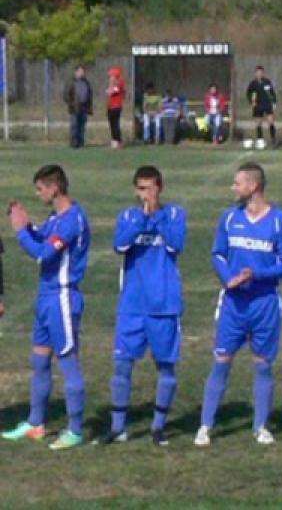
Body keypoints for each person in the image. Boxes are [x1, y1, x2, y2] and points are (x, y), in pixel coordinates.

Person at [195, 162, 282, 446]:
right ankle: (205, 426)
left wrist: (257, 274)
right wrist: (229, 278)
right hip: (233, 304)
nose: (233, 188)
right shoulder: (229, 217)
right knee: (221, 361)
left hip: (265, 304)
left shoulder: (280, 221)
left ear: (253, 185)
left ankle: (261, 426)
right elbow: (218, 253)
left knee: (262, 363)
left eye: (237, 183)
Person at [2, 165, 91, 450]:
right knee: (39, 360)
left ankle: (75, 430)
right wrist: (27, 224)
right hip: (46, 297)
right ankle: (35, 423)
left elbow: (44, 254)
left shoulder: (72, 220)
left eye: (40, 189)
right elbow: (42, 236)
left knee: (68, 362)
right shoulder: (55, 218)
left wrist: (20, 232)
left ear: (55, 188)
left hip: (62, 298)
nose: (38, 194)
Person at [97, 166, 187, 447]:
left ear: (160, 188)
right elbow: (120, 245)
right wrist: (141, 221)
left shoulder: (175, 214)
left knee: (166, 367)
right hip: (132, 305)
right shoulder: (128, 216)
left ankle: (158, 426)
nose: (145, 194)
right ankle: (118, 427)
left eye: (149, 188)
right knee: (122, 365)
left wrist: (155, 217)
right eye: (140, 188)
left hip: (164, 305)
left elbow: (176, 244)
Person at [246, 66, 278, 148]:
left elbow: (272, 92)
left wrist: (274, 102)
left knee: (271, 121)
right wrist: (251, 102)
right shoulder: (253, 83)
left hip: (267, 104)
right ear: (255, 73)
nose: (259, 74)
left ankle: (273, 140)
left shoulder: (267, 82)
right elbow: (248, 93)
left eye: (261, 72)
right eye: (258, 72)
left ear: (263, 73)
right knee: (258, 123)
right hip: (257, 105)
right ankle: (260, 141)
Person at [64, 65, 93, 149]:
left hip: (84, 107)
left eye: (83, 72)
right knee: (74, 126)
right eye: (80, 71)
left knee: (82, 126)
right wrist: (72, 104)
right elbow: (66, 95)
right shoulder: (71, 82)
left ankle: (81, 143)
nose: (82, 73)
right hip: (75, 108)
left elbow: (89, 94)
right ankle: (74, 143)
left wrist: (89, 106)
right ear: (76, 72)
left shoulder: (86, 82)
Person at [106, 67, 126, 149]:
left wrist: (111, 85)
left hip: (116, 107)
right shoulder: (115, 84)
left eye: (111, 76)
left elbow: (110, 92)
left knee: (115, 124)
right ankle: (114, 141)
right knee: (112, 124)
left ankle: (118, 141)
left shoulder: (119, 83)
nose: (110, 78)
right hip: (110, 107)